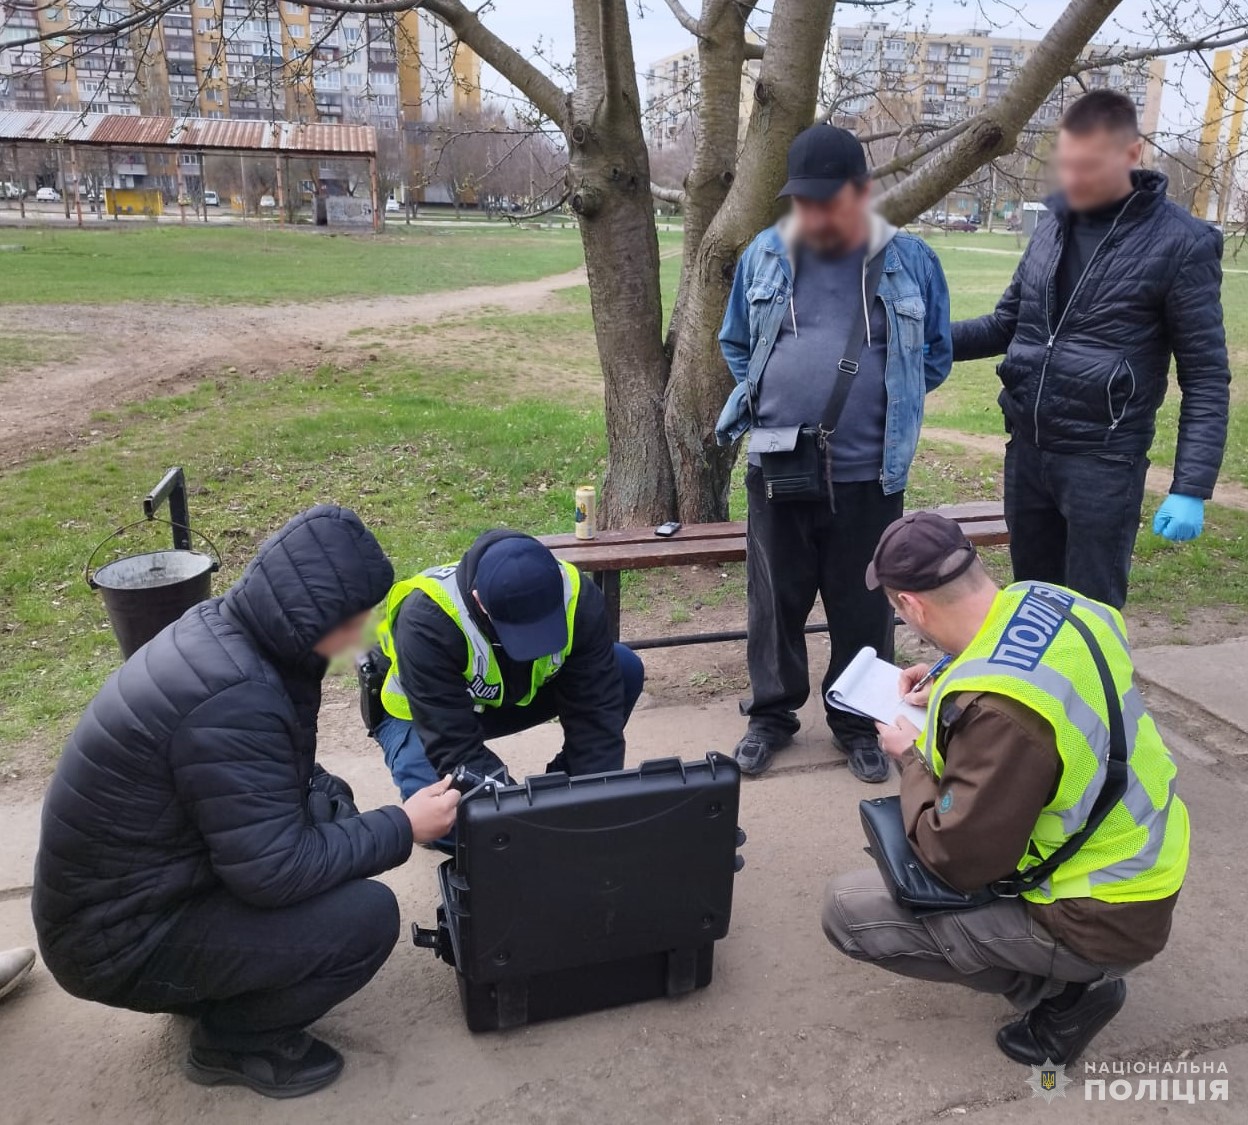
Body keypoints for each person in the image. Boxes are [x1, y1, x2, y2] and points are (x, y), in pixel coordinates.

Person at [33, 506, 461, 1099]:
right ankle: (232, 1041)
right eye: (357, 620)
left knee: (332, 806)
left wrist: (339, 809)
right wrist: (405, 825)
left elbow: (271, 778)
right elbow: (273, 871)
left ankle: (222, 979)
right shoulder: (236, 695)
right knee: (365, 919)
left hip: (138, 892)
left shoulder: (227, 634)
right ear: (311, 614)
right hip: (118, 942)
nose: (363, 636)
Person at [823, 512, 1188, 1065]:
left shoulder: (1003, 714)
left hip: (1100, 914)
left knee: (847, 911)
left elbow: (958, 857)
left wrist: (912, 758)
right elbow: (1026, 671)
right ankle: (1063, 970)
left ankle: (1069, 993)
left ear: (911, 606)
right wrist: (947, 673)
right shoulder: (1048, 600)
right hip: (1143, 865)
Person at [716, 124, 952, 782]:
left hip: (868, 476)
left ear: (863, 193)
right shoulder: (765, 254)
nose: (815, 213)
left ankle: (857, 722)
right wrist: (775, 402)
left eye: (830, 199)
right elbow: (736, 343)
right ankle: (771, 714)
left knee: (864, 605)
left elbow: (932, 358)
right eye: (804, 200)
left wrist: (881, 402)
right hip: (775, 466)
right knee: (774, 603)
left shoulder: (912, 261)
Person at [953, 90, 1230, 609]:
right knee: (1034, 609)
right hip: (1028, 453)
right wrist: (920, 339)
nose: (1073, 179)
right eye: (1066, 164)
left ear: (1131, 155)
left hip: (1103, 464)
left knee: (1091, 619)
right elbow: (1006, 324)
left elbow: (1207, 377)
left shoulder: (1183, 243)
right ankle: (1038, 694)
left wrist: (1191, 485)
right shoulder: (1052, 228)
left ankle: (1096, 695)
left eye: (1088, 166)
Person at [373, 529, 644, 796]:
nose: (535, 646)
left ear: (559, 578)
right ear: (479, 601)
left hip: (513, 695)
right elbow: (452, 746)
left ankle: (564, 788)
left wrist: (587, 797)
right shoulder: (427, 620)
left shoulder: (577, 594)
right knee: (447, 820)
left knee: (624, 669)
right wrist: (514, 814)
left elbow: (596, 713)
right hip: (425, 716)